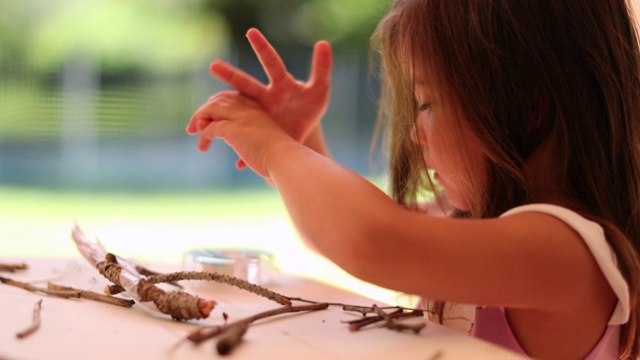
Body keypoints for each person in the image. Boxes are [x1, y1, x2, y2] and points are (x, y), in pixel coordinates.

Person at [186, 0, 640, 358]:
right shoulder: (477, 221)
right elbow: (345, 233)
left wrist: (275, 149)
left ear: (527, 105)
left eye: (427, 102)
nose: (415, 133)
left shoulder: (566, 254)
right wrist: (302, 148)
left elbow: (375, 241)